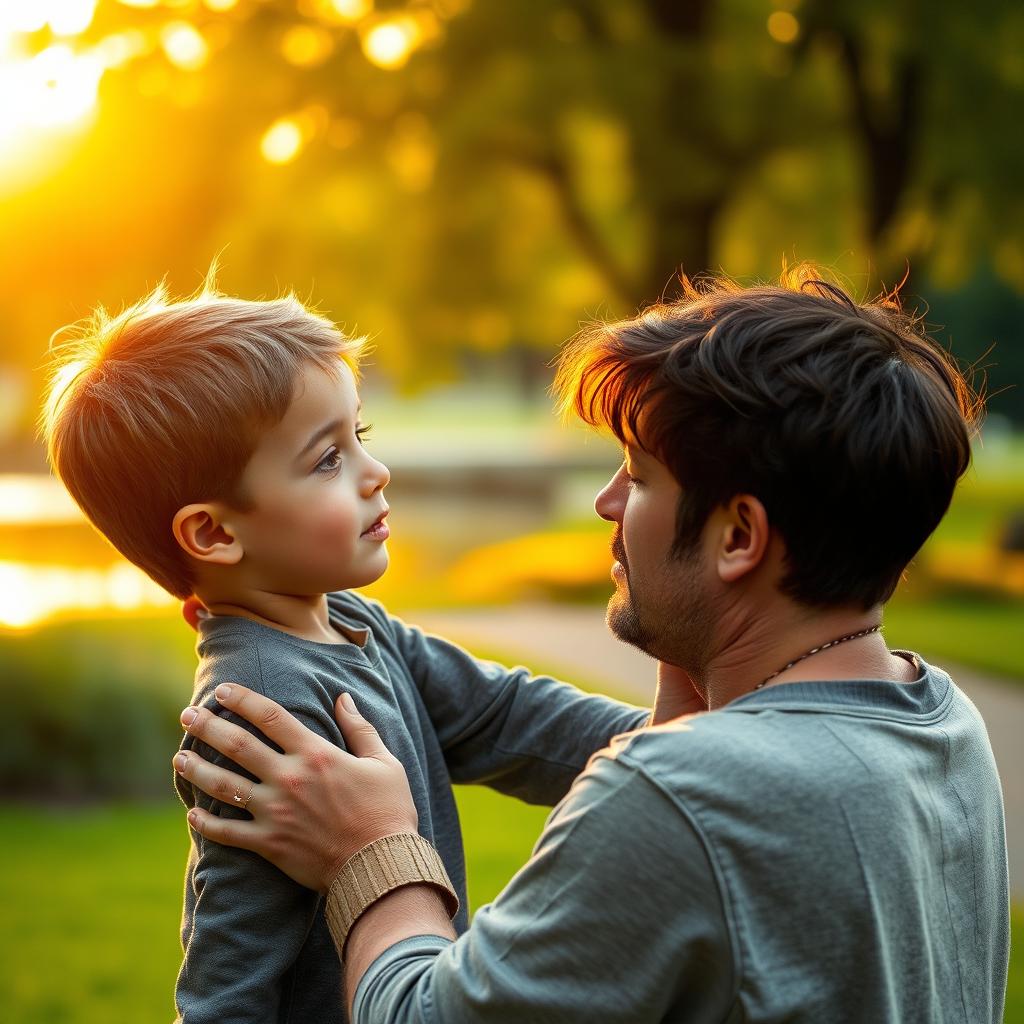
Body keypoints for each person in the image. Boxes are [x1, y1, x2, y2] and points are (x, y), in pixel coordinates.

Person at [173, 266, 1010, 1023]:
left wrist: (369, 849)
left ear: (739, 536)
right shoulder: (943, 727)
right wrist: (685, 731)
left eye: (640, 476)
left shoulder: (677, 800)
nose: (607, 504)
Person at [40, 277, 649, 1023]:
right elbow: (228, 972)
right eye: (327, 459)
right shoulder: (257, 705)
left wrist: (687, 749)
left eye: (359, 436)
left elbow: (505, 717)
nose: (375, 472)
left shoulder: (355, 622)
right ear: (215, 534)